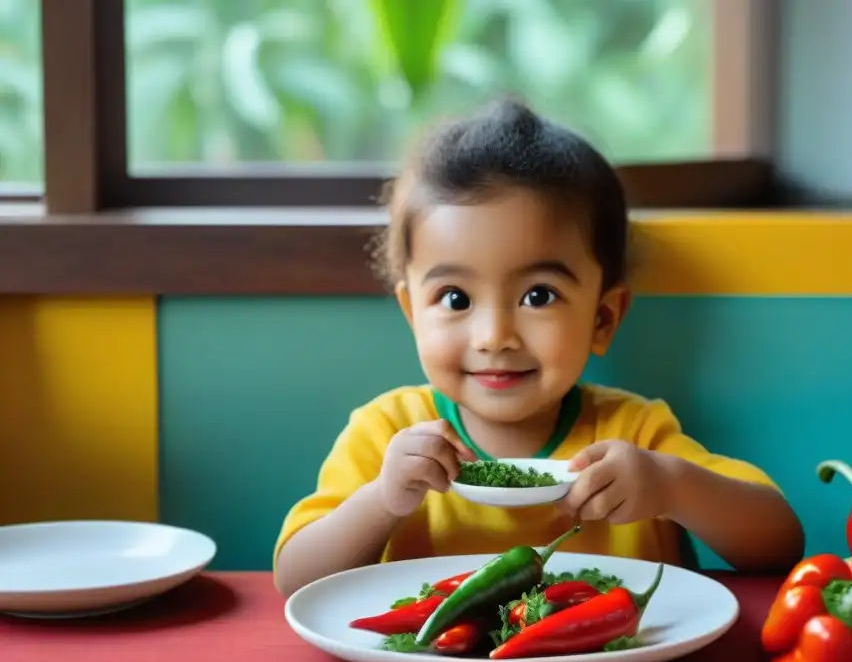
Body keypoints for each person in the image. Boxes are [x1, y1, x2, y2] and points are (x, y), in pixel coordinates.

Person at [272, 98, 804, 598]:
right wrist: (382, 501)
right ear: (413, 314)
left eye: (538, 295)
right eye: (455, 297)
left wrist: (670, 486)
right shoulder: (386, 434)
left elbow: (780, 544)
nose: (494, 336)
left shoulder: (634, 434)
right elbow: (294, 579)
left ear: (602, 317)